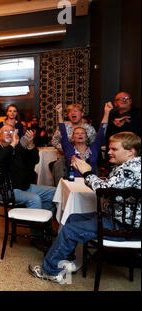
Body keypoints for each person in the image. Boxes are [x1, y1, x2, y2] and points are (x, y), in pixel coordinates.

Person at [29, 131, 141, 283]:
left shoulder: (130, 169)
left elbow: (105, 192)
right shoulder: (131, 165)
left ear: (130, 151)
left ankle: (49, 271)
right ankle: (66, 262)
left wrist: (87, 172)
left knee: (70, 229)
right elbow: (115, 189)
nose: (109, 152)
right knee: (73, 216)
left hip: (124, 226)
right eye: (109, 148)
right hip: (119, 219)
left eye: (114, 149)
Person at [0, 125, 56, 213]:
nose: (9, 133)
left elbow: (35, 160)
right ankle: (35, 223)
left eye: (12, 132)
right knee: (34, 199)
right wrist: (12, 144)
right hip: (6, 191)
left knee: (54, 192)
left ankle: (39, 218)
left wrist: (30, 144)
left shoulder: (18, 149)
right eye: (5, 132)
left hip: (25, 187)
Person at [56, 102, 112, 177]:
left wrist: (107, 112)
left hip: (91, 183)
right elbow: (63, 130)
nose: (80, 134)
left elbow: (102, 131)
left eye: (82, 133)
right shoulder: (68, 149)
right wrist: (59, 113)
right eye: (76, 133)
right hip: (74, 184)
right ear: (72, 138)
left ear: (87, 137)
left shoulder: (94, 148)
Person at [50, 104, 97, 186]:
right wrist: (67, 151)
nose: (72, 113)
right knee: (58, 165)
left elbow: (93, 144)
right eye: (70, 112)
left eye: (75, 111)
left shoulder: (89, 129)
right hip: (64, 155)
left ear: (82, 114)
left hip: (85, 156)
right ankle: (60, 190)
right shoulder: (64, 126)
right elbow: (54, 141)